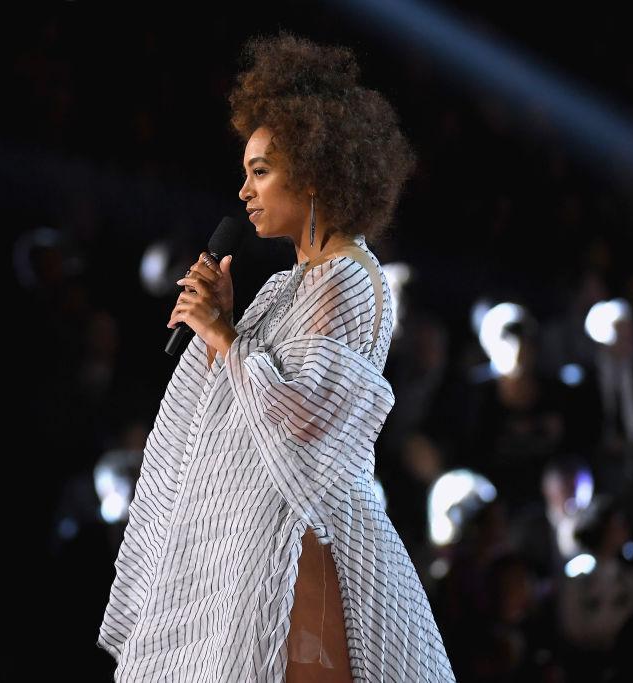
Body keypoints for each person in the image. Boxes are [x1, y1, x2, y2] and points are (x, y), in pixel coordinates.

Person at [98, 33, 455, 681]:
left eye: (260, 171)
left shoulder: (347, 276)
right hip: (258, 541)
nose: (244, 191)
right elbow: (234, 411)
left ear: (316, 172)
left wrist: (226, 336)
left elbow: (310, 423)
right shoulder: (289, 285)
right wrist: (223, 327)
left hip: (306, 541)